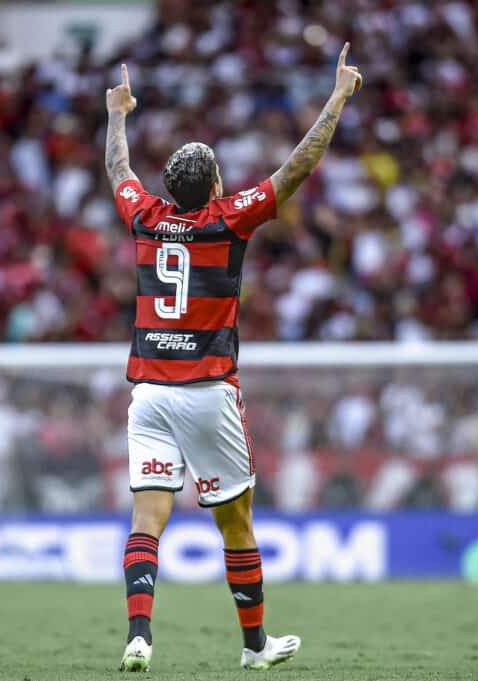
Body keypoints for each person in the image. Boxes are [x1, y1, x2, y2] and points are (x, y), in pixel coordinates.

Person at [104, 44, 361, 672]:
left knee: (148, 516)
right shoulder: (228, 220)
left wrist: (117, 114)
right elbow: (296, 168)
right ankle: (254, 646)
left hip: (149, 393)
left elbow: (118, 170)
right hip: (209, 390)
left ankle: (139, 634)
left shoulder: (144, 217)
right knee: (235, 522)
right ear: (215, 185)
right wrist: (338, 97)